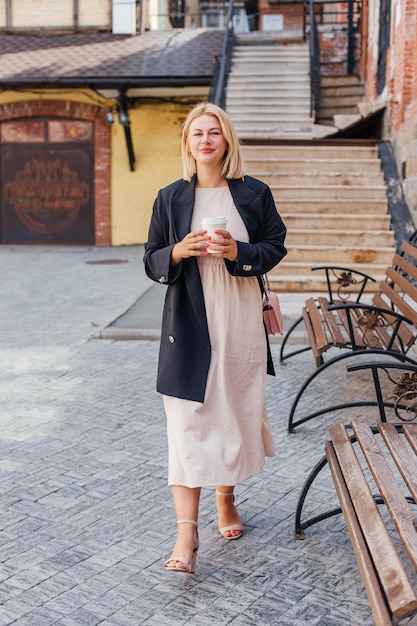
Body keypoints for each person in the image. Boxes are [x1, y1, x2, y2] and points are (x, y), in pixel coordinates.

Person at [143, 102, 287, 573]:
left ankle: (226, 498)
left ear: (226, 141)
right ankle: (187, 533)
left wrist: (238, 251)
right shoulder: (169, 198)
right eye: (196, 133)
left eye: (214, 133)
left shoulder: (253, 192)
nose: (205, 140)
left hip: (240, 313)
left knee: (233, 408)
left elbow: (274, 245)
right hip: (188, 316)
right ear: (187, 143)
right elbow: (150, 260)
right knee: (186, 420)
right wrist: (179, 251)